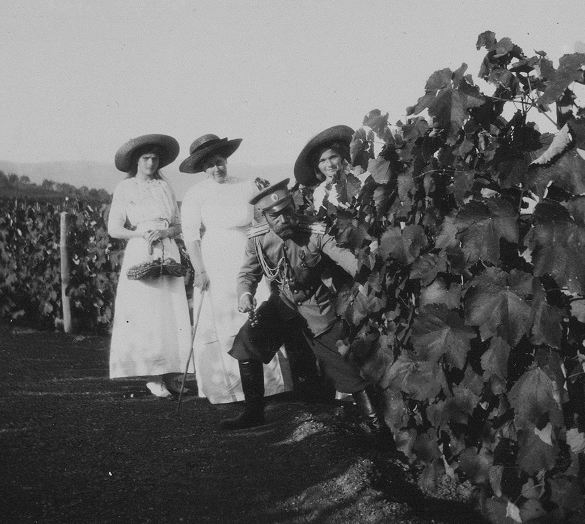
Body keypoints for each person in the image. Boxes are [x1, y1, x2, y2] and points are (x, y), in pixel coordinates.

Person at [221, 179, 387, 439]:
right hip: (281, 306)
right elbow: (247, 274)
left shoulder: (315, 232)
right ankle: (253, 412)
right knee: (246, 344)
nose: (284, 220)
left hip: (315, 308)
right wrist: (245, 295)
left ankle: (378, 428)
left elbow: (343, 257)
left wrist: (366, 271)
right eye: (275, 216)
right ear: (265, 216)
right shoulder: (258, 239)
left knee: (345, 367)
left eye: (287, 211)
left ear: (293, 207)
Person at [179, 134, 290, 404]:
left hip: (248, 253)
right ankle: (226, 388)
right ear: (202, 169)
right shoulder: (196, 194)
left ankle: (271, 386)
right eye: (210, 164)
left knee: (258, 309)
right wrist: (200, 271)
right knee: (223, 316)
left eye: (220, 161)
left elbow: (262, 219)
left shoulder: (247, 186)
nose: (217, 168)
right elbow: (191, 236)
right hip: (215, 257)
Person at [108, 134, 193, 398]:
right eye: (146, 158)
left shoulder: (165, 187)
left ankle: (171, 372)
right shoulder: (126, 188)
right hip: (141, 251)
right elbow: (114, 229)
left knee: (171, 310)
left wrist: (166, 232)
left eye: (155, 158)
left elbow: (179, 224)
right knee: (148, 312)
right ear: (136, 161)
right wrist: (141, 233)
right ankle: (153, 375)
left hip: (168, 249)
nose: (151, 163)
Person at [293, 124, 362, 220]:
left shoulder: (358, 182)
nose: (329, 164)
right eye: (322, 161)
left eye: (333, 157)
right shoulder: (320, 193)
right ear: (317, 166)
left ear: (341, 157)